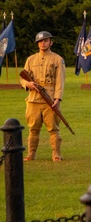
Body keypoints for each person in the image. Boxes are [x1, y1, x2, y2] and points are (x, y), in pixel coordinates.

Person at [20, 31, 67, 162]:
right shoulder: (30, 60)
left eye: (45, 40)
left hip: (50, 99)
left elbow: (60, 81)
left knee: (53, 128)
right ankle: (31, 154)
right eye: (40, 41)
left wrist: (57, 98)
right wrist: (28, 83)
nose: (43, 43)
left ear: (50, 42)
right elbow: (22, 79)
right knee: (33, 128)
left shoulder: (58, 59)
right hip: (33, 99)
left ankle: (56, 154)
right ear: (37, 44)